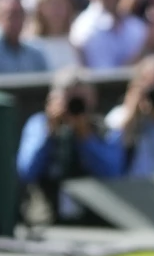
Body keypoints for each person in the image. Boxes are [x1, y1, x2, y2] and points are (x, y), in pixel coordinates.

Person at [17, 68, 124, 223]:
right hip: (47, 220)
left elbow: (114, 174)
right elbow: (26, 171)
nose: (75, 107)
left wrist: (85, 136)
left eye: (81, 100)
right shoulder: (40, 125)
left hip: (96, 218)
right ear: (52, 100)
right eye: (70, 99)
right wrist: (50, 130)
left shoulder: (104, 130)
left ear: (93, 100)